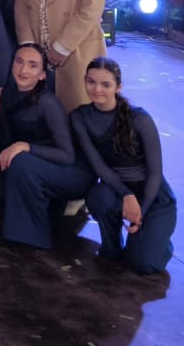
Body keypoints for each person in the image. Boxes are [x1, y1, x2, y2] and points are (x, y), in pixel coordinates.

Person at [73, 57, 177, 274]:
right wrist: (127, 195)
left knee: (142, 264)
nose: (97, 89)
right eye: (91, 82)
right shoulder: (80, 117)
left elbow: (155, 172)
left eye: (105, 84)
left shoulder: (139, 119)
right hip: (118, 190)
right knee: (98, 196)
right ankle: (111, 245)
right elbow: (98, 165)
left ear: (118, 87)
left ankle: (158, 242)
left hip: (152, 196)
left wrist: (141, 209)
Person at [0, 44, 91, 250]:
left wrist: (25, 146)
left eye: (32, 65)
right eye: (18, 62)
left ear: (42, 75)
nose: (23, 70)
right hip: (34, 166)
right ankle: (46, 215)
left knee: (19, 161)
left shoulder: (47, 103)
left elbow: (67, 156)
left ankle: (34, 238)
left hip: (70, 171)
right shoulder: (8, 94)